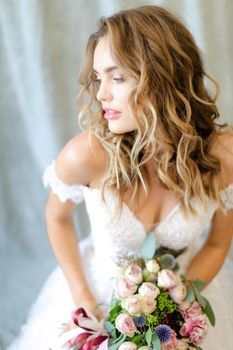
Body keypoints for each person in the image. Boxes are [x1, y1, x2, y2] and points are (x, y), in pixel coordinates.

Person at [7, 5, 233, 350]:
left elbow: (217, 242)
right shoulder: (85, 156)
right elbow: (57, 218)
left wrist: (177, 307)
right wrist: (83, 297)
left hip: (182, 299)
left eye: (117, 77)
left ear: (161, 75)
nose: (100, 95)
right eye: (99, 78)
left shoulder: (223, 156)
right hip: (98, 299)